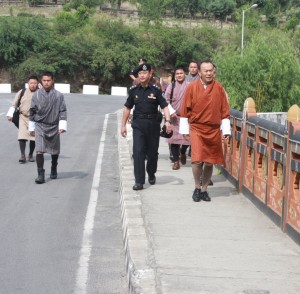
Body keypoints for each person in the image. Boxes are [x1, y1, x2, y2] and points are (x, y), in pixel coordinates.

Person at [180, 60, 231, 202]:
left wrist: (226, 130)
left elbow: (224, 111)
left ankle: (204, 190)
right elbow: (185, 109)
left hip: (213, 129)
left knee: (209, 162)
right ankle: (197, 186)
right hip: (197, 128)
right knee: (196, 160)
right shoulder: (191, 87)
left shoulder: (219, 88)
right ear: (200, 73)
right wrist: (184, 129)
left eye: (210, 71)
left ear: (213, 72)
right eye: (205, 71)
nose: (208, 73)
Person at [121, 63, 172, 191]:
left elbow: (165, 106)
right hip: (138, 125)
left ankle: (151, 172)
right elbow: (127, 108)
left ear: (150, 74)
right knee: (138, 153)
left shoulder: (155, 90)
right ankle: (139, 181)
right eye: (140, 74)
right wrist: (123, 125)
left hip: (153, 125)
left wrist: (167, 121)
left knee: (152, 153)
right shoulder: (133, 91)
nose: (142, 75)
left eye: (145, 73)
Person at [29, 72, 67, 184]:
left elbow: (62, 110)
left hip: (54, 126)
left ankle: (54, 166)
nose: (46, 82)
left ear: (52, 81)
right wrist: (31, 127)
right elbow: (32, 110)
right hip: (40, 125)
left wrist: (62, 125)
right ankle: (40, 174)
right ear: (41, 81)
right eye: (44, 80)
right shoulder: (36, 95)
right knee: (39, 150)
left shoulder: (59, 95)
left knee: (54, 151)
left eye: (48, 80)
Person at [6, 75, 39, 163]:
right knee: (22, 136)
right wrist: (10, 114)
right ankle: (22, 155)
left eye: (35, 83)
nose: (33, 85)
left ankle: (31, 154)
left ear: (37, 84)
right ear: (28, 83)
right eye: (31, 83)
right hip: (23, 117)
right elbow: (14, 104)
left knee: (33, 137)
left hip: (35, 119)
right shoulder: (22, 92)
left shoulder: (41, 93)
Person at [164, 66, 190, 170]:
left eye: (181, 73)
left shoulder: (190, 86)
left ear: (185, 74)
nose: (179, 75)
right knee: (174, 140)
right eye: (177, 74)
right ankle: (175, 161)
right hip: (174, 117)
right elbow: (165, 100)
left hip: (186, 118)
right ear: (175, 76)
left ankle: (183, 152)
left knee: (187, 139)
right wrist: (171, 111)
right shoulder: (172, 86)